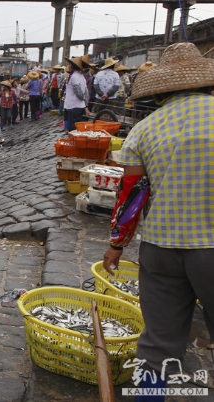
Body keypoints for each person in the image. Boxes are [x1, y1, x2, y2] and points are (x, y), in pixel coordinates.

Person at [102, 43, 214, 400]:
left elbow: (131, 197)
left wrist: (116, 246)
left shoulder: (144, 129)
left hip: (161, 249)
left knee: (156, 349)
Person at [63, 55, 89, 131]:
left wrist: (83, 99)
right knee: (77, 128)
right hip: (79, 106)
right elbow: (86, 92)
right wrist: (85, 103)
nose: (69, 66)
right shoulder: (81, 76)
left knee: (73, 129)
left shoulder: (75, 76)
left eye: (70, 64)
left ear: (73, 66)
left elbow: (79, 92)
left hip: (74, 106)